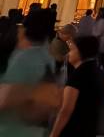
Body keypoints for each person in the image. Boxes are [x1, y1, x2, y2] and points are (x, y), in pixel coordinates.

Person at [0, 8, 60, 137]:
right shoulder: (47, 55)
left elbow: (5, 99)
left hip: (12, 130)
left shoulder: (26, 58)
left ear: (24, 30)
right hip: (34, 131)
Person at [49, 35, 104, 137]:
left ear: (81, 51)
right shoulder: (97, 70)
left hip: (74, 129)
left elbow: (66, 109)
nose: (68, 54)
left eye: (72, 50)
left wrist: (54, 134)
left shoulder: (79, 74)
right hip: (89, 128)